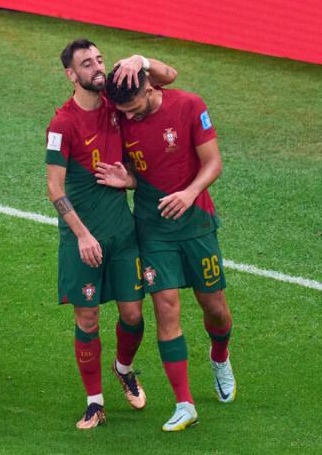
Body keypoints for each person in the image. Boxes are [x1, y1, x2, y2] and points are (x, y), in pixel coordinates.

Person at [47, 39, 178, 428]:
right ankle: (94, 401)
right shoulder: (62, 123)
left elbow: (168, 78)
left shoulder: (117, 104)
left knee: (133, 315)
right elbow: (54, 188)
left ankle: (123, 368)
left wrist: (141, 59)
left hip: (122, 235)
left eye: (100, 59)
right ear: (71, 75)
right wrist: (83, 236)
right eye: (87, 64)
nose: (98, 67)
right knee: (87, 318)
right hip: (83, 239)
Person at [101, 66, 235, 432]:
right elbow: (136, 167)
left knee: (215, 309)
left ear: (149, 87)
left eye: (133, 106)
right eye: (122, 110)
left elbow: (214, 163)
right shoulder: (122, 116)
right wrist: (127, 179)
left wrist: (190, 193)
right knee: (166, 307)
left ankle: (219, 357)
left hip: (196, 225)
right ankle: (184, 403)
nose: (127, 115)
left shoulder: (189, 105)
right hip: (153, 228)